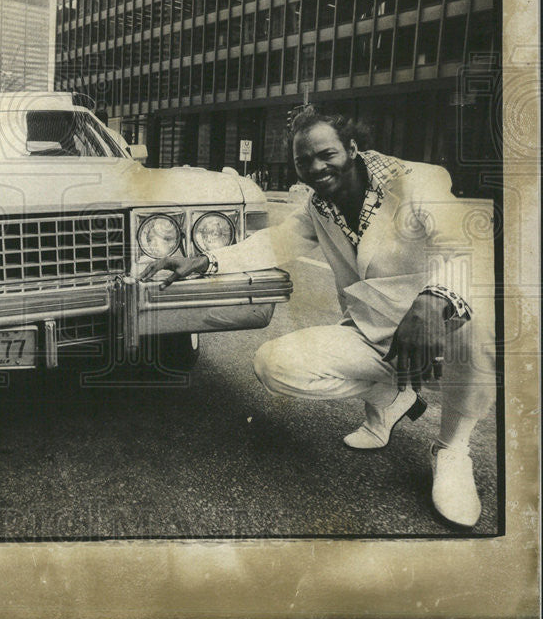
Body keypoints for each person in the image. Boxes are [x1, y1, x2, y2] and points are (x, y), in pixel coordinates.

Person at [140, 107, 496, 528]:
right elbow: (276, 242)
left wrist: (434, 300)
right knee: (274, 365)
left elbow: (468, 248)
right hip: (372, 335)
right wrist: (205, 261)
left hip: (436, 332)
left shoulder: (419, 182)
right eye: (303, 161)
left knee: (480, 325)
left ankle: (451, 450)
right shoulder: (318, 206)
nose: (315, 167)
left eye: (326, 154)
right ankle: (392, 400)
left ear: (351, 147)